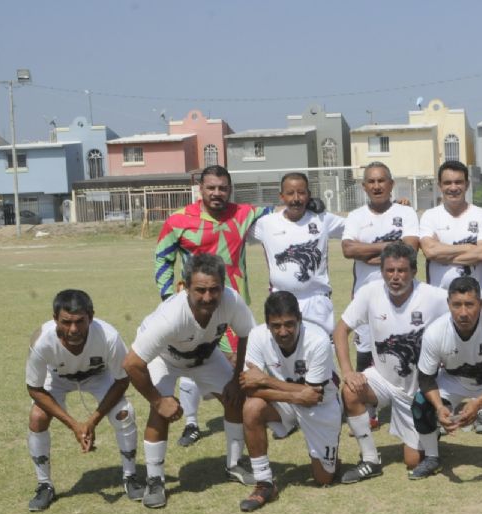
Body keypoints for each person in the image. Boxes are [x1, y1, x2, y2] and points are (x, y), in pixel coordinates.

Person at [123, 254, 257, 508]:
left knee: (235, 398)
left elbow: (248, 334)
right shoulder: (170, 317)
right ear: (185, 288)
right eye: (201, 290)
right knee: (159, 413)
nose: (208, 297)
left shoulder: (231, 300)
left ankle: (235, 463)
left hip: (205, 355)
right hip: (165, 358)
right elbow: (131, 363)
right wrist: (158, 400)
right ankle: (155, 480)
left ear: (223, 286)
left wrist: (237, 378)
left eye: (214, 289)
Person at [154, 165, 270, 448]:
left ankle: (247, 417)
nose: (217, 193)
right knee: (192, 358)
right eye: (211, 187)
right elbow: (162, 259)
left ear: (229, 189)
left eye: (222, 188)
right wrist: (170, 298)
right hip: (195, 308)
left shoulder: (242, 213)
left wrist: (312, 206)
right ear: (200, 189)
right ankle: (191, 423)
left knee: (240, 362)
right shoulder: (179, 220)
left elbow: (276, 210)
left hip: (232, 305)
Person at [333, 242, 448, 483]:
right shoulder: (370, 292)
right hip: (383, 380)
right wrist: (347, 371)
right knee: (351, 391)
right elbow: (341, 330)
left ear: (414, 271)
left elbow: (465, 310)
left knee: (413, 461)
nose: (396, 277)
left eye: (402, 270)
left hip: (418, 389)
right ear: (382, 271)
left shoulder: (433, 296)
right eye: (390, 270)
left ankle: (429, 427)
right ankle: (370, 460)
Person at [25, 290, 143, 511]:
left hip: (97, 376)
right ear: (55, 319)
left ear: (91, 316)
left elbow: (121, 380)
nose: (73, 329)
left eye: (80, 321)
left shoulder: (108, 336)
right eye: (66, 322)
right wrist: (74, 425)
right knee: (38, 416)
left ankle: (130, 476)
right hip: (57, 377)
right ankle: (44, 485)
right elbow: (34, 388)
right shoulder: (41, 340)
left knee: (124, 413)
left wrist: (92, 421)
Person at [411, 276, 482, 482]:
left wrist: (479, 402)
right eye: (457, 305)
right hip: (454, 381)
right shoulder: (435, 332)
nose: (463, 312)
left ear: (481, 304)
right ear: (448, 305)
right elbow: (426, 378)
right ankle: (431, 457)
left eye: (470, 305)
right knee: (420, 403)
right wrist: (439, 408)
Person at [237, 291, 341, 512]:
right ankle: (264, 483)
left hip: (322, 406)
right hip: (289, 401)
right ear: (267, 324)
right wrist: (296, 395)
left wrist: (265, 379)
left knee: (323, 479)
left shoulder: (318, 339)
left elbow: (314, 397)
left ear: (299, 319)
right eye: (275, 326)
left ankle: (328, 459)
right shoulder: (257, 336)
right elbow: (249, 387)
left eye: (289, 324)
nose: (283, 332)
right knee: (252, 407)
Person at [419, 160, 482, 433]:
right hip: (440, 298)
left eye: (458, 182)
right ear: (440, 185)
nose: (453, 188)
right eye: (448, 183)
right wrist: (468, 247)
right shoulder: (430, 216)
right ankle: (445, 405)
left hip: (477, 298)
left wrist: (445, 248)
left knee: (480, 350)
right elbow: (429, 252)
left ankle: (481, 406)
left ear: (467, 184)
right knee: (444, 351)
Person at [342, 162, 420, 427]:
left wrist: (371, 252)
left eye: (381, 181)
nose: (376, 186)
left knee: (407, 343)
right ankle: (369, 408)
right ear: (364, 187)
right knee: (365, 348)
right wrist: (390, 248)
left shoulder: (405, 212)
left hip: (403, 293)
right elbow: (348, 250)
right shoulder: (355, 216)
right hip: (366, 294)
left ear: (391, 184)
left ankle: (414, 401)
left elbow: (410, 249)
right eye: (371, 182)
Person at [252, 172, 344, 334]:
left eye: (301, 193)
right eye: (290, 193)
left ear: (309, 195)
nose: (296, 198)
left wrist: (397, 208)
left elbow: (359, 226)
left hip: (317, 302)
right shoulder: (266, 224)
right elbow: (236, 225)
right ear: (281, 196)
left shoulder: (322, 219)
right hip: (281, 302)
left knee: (321, 353)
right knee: (283, 355)